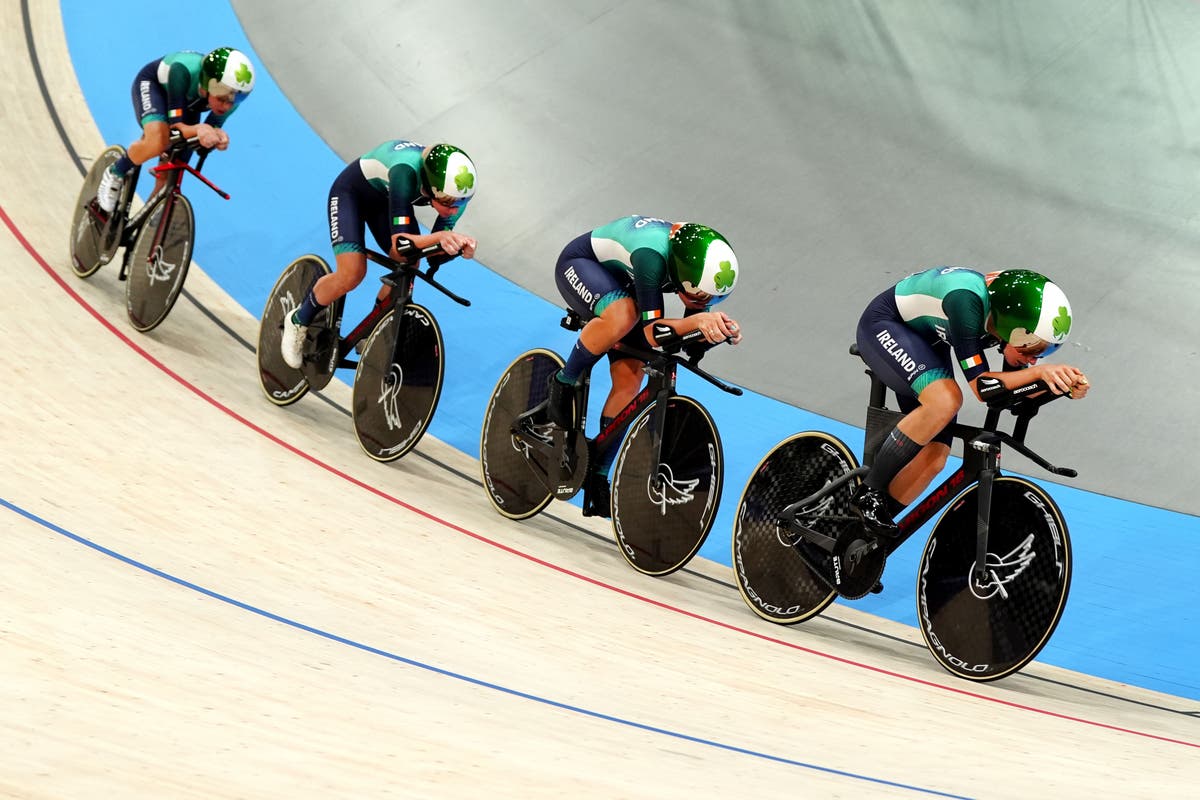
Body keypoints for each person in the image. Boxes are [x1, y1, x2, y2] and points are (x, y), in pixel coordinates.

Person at [852, 266, 1091, 534]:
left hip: (926, 343)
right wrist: (1039, 373)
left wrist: (1057, 387)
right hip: (884, 326)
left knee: (935, 457)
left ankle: (862, 532)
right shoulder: (966, 302)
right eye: (1034, 348)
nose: (1035, 358)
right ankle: (868, 493)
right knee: (946, 399)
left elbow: (1008, 395)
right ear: (1012, 327)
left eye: (1045, 351)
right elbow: (983, 387)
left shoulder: (1003, 325)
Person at [545, 215, 744, 517]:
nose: (703, 302)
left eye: (712, 298)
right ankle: (563, 381)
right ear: (684, 275)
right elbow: (654, 333)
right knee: (624, 314)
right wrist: (696, 321)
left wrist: (712, 333)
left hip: (623, 281)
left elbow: (677, 336)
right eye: (701, 295)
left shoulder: (691, 269)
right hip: (581, 265)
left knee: (630, 379)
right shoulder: (651, 256)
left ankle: (598, 474)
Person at [280, 140, 478, 369]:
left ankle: (371, 331)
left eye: (461, 202)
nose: (454, 209)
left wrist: (457, 249)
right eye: (448, 202)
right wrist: (440, 238)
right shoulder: (405, 171)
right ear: (431, 186)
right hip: (351, 195)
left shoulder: (455, 193)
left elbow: (432, 256)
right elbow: (400, 245)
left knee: (411, 263)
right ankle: (298, 320)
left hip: (385, 202)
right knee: (352, 272)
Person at [96, 47, 256, 213]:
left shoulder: (231, 102)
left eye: (237, 98)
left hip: (186, 104)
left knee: (174, 170)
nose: (227, 105)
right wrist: (200, 129)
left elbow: (209, 130)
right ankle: (116, 171)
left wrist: (217, 138)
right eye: (223, 97)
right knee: (159, 140)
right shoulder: (183, 71)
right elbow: (177, 127)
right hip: (155, 87)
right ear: (208, 82)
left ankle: (147, 222)